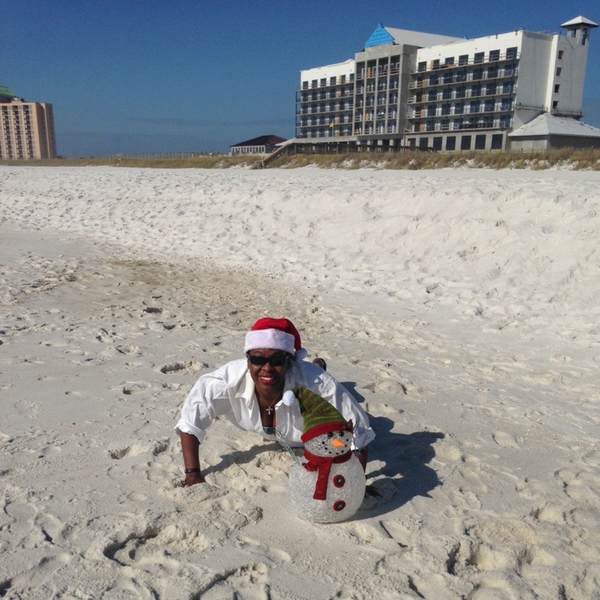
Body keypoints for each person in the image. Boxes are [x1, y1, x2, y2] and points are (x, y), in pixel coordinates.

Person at [175, 317, 375, 486]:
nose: (267, 367)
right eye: (258, 359)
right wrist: (192, 474)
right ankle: (316, 364)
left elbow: (359, 428)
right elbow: (191, 421)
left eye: (277, 360)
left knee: (316, 376)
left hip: (310, 394)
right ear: (247, 360)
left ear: (288, 361)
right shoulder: (225, 381)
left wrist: (357, 483)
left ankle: (317, 366)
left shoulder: (319, 384)